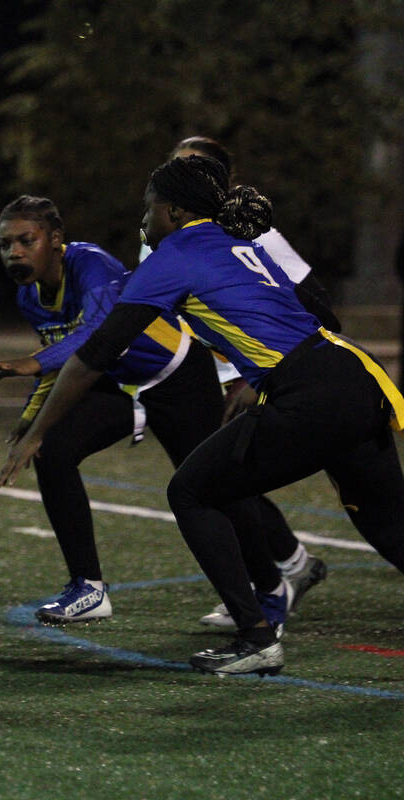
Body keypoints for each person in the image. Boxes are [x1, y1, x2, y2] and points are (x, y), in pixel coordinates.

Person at [0, 155, 404, 676]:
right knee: (387, 523)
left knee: (191, 491)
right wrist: (261, 373)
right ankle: (266, 603)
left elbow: (95, 353)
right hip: (354, 375)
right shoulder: (240, 242)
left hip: (307, 392)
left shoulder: (173, 256)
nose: (142, 221)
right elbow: (319, 314)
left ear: (172, 211)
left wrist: (38, 432)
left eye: (148, 209)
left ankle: (256, 636)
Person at [0, 196, 293, 629]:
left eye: (25, 240)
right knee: (52, 450)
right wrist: (32, 422)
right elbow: (62, 367)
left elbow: (97, 336)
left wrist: (33, 362)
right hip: (116, 382)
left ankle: (272, 588)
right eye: (5, 244)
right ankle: (88, 588)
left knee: (212, 487)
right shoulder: (29, 296)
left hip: (174, 375)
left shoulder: (90, 264)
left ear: (55, 239)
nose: (14, 252)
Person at [141, 136, 332, 629]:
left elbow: (313, 307)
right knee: (211, 481)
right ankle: (283, 570)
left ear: (224, 182)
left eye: (196, 168)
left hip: (248, 377)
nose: (182, 177)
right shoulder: (165, 226)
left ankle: (272, 587)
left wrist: (257, 378)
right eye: (175, 166)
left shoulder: (253, 233)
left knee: (215, 482)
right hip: (188, 373)